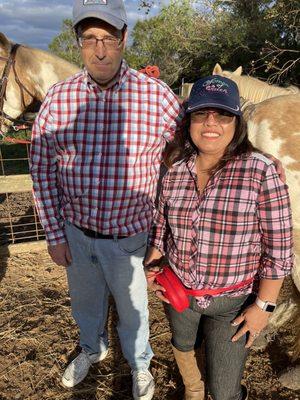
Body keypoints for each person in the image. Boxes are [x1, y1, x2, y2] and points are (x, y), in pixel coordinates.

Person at [30, 0, 183, 398]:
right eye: (89, 38)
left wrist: (163, 237)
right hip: (75, 234)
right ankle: (91, 349)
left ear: (124, 39)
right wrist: (54, 233)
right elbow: (43, 169)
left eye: (109, 38)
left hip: (130, 239)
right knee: (85, 304)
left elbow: (183, 163)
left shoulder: (158, 98)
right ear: (78, 42)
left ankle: (139, 364)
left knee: (134, 312)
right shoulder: (58, 99)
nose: (100, 49)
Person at [144, 75, 294, 400]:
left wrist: (263, 307)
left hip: (234, 303)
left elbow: (279, 250)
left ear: (236, 122)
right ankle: (193, 391)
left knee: (225, 391)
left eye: (223, 114)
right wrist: (151, 268)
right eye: (201, 113)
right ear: (189, 121)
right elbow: (160, 230)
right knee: (183, 346)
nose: (211, 122)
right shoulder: (174, 173)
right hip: (181, 295)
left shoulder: (261, 171)